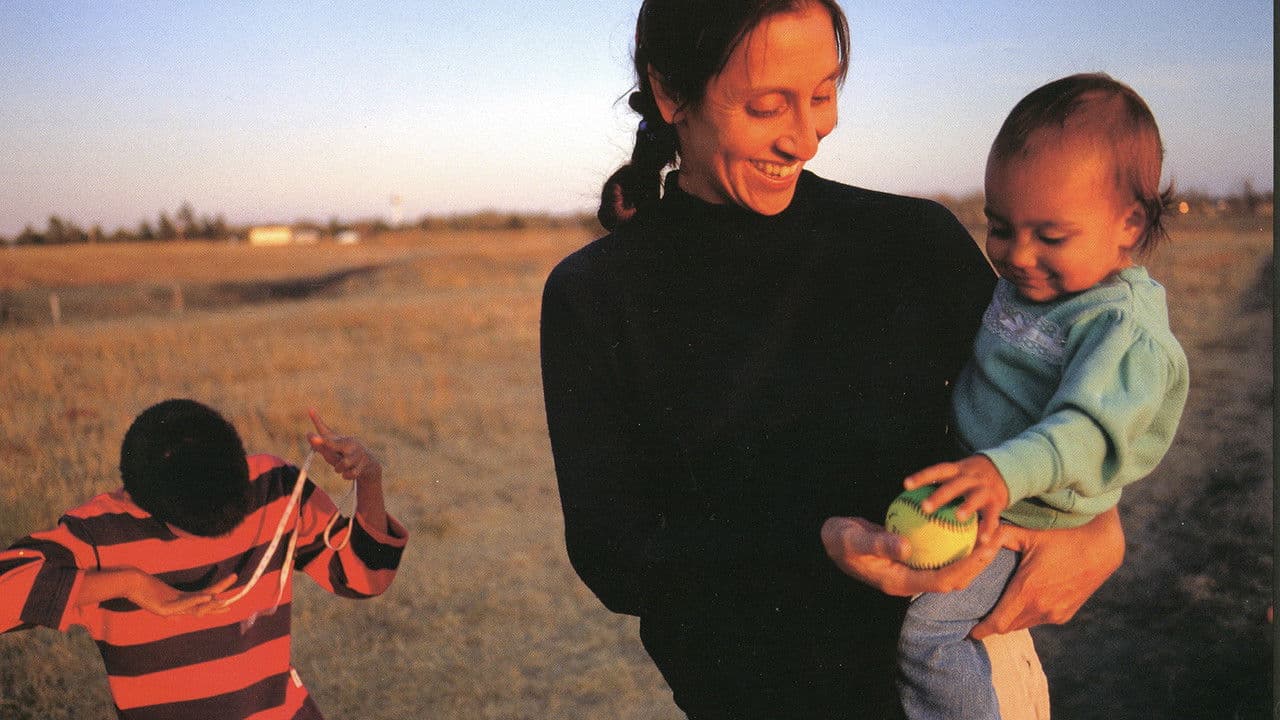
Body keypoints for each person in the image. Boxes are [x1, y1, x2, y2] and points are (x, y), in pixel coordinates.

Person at [541, 1, 1126, 717]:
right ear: (670, 93)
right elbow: (615, 555)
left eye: (822, 95)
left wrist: (1099, 524)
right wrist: (818, 543)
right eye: (767, 106)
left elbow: (1057, 394)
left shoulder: (913, 242)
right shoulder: (595, 295)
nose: (806, 138)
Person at [892, 74, 1189, 719]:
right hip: (984, 490)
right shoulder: (1039, 286)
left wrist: (1001, 472)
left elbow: (1084, 431)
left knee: (930, 636)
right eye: (1000, 228)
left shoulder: (1121, 329)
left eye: (1050, 237)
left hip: (1032, 514)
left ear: (1128, 224)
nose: (1018, 256)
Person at [0, 399, 409, 720]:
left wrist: (369, 480)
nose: (223, 529)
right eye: (200, 528)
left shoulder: (273, 487)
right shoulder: (99, 534)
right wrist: (130, 584)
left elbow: (366, 578)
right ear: (144, 502)